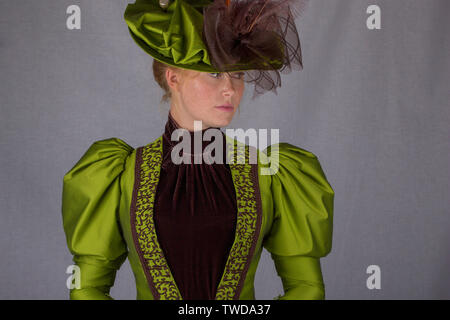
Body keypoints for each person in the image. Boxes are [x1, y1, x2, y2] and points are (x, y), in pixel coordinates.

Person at [61, 0, 334, 300]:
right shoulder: (119, 175)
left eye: (239, 74)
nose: (230, 89)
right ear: (173, 77)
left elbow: (306, 289)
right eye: (215, 74)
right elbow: (86, 288)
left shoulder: (270, 175)